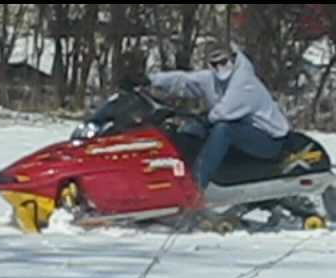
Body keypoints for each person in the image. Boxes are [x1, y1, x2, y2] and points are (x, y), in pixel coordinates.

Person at [123, 44, 290, 191]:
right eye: (214, 63)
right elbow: (184, 80)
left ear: (232, 59)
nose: (220, 67)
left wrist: (202, 118)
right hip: (245, 131)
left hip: (270, 140)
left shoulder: (245, 82)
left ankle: (196, 185)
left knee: (223, 130)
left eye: (223, 62)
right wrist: (149, 81)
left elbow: (224, 112)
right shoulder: (213, 78)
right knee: (190, 129)